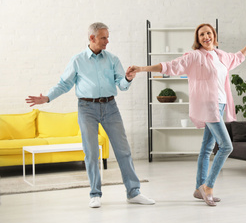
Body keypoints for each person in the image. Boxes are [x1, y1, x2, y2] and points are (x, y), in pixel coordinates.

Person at [130, 23, 246, 206]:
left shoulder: (220, 55)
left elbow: (238, 57)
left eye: (208, 33)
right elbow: (170, 66)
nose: (206, 37)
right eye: (202, 34)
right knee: (226, 146)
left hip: (220, 105)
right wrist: (141, 69)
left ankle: (198, 188)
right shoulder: (195, 56)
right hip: (207, 106)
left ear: (214, 35)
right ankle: (208, 187)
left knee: (206, 148)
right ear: (198, 39)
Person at [25, 22, 155, 208]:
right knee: (91, 153)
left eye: (107, 37)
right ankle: (95, 194)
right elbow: (64, 84)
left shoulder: (112, 59)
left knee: (123, 151)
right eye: (103, 37)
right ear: (92, 38)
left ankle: (133, 192)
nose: (107, 41)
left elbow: (122, 85)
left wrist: (127, 78)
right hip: (87, 108)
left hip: (111, 107)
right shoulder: (77, 60)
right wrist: (46, 98)